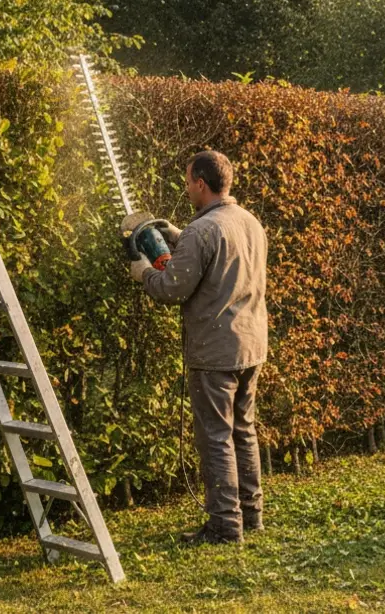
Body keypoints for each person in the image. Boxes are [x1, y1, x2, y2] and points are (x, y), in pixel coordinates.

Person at [129, 150, 268, 545]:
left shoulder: (202, 231)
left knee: (215, 436)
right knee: (243, 430)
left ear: (201, 184)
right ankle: (251, 514)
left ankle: (225, 526)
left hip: (215, 351)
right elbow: (219, 261)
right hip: (251, 344)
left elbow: (173, 287)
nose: (187, 187)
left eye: (189, 181)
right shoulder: (249, 221)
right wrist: (178, 235)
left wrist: (142, 273)